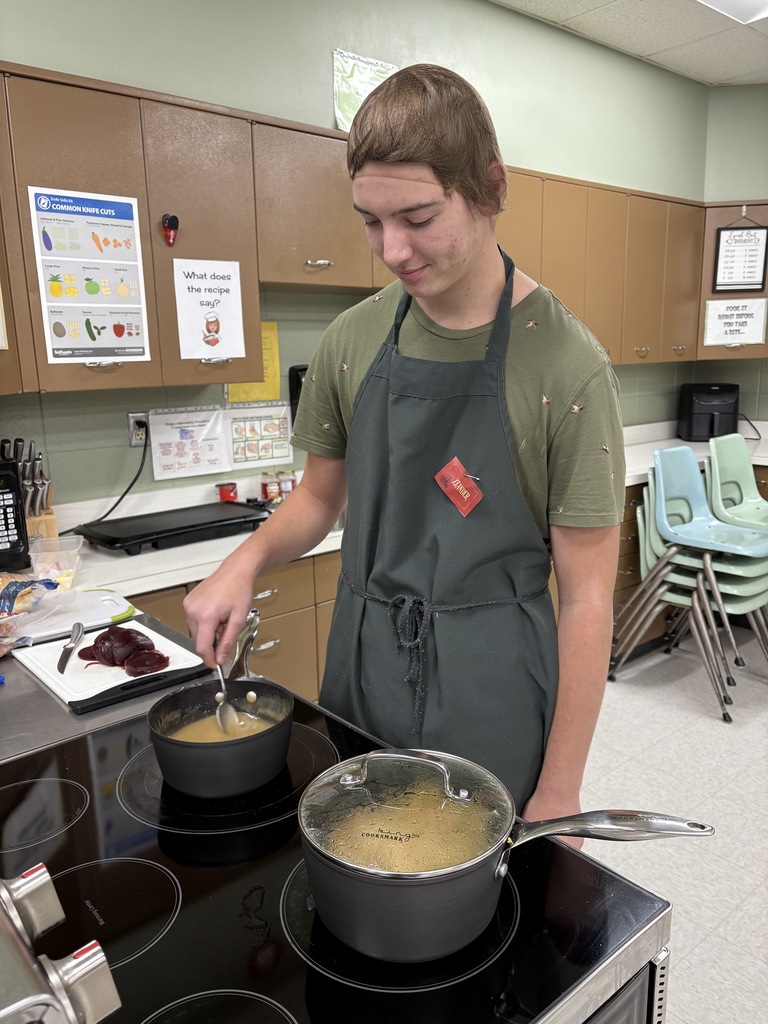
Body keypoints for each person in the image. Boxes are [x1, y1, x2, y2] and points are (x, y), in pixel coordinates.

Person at [184, 63, 624, 825]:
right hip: (362, 671)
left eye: (418, 218)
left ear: (491, 187)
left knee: (485, 917)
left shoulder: (566, 366)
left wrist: (560, 791)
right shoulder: (352, 341)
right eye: (370, 220)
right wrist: (242, 561)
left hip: (494, 689)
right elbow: (321, 496)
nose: (391, 250)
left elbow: (587, 599)